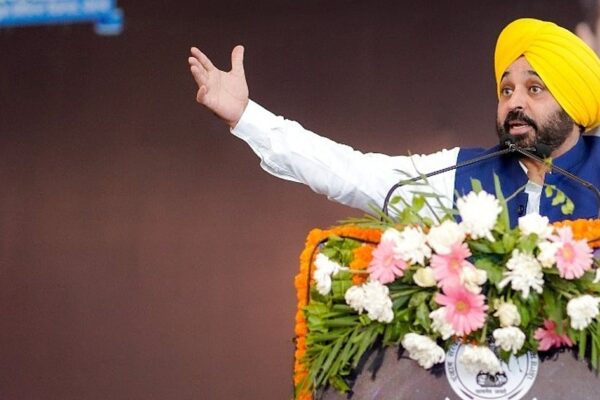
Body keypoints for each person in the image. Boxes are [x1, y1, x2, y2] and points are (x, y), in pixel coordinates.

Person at [188, 18, 600, 226]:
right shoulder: (464, 173)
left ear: (574, 101)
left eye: (534, 89)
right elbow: (350, 173)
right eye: (506, 90)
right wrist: (247, 117)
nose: (514, 103)